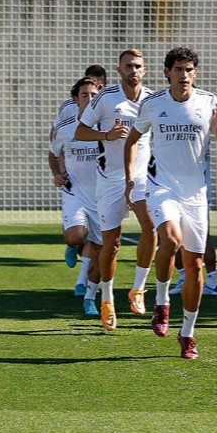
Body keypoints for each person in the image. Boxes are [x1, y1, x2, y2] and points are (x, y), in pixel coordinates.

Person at [126, 47, 217, 360]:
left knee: (195, 265)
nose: (184, 76)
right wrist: (128, 177)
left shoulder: (209, 102)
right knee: (170, 239)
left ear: (195, 73)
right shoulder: (153, 104)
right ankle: (161, 302)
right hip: (161, 187)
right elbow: (133, 139)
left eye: (189, 70)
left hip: (196, 194)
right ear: (167, 72)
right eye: (178, 70)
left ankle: (187, 333)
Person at [75, 49, 156, 331]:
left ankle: (138, 289)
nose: (133, 70)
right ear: (119, 70)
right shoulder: (106, 99)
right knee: (112, 243)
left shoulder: (153, 100)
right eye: (128, 66)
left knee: (152, 226)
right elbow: (80, 132)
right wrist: (106, 135)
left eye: (138, 66)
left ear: (144, 70)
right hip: (110, 179)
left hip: (142, 177)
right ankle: (107, 300)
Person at [48, 76, 103, 316]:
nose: (90, 99)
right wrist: (57, 174)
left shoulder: (106, 126)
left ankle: (90, 297)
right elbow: (53, 153)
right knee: (75, 236)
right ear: (75, 99)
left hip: (103, 194)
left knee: (103, 250)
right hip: (75, 191)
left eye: (94, 95)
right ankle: (72, 244)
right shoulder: (65, 127)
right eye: (84, 95)